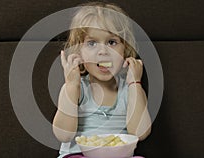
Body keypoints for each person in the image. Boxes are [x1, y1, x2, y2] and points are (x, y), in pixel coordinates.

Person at [52, 2, 151, 158]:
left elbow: (140, 133)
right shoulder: (77, 89)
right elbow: (63, 135)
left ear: (124, 49)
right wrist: (72, 85)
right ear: (79, 52)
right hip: (77, 154)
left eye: (111, 42)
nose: (103, 51)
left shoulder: (129, 89)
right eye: (92, 43)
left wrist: (135, 83)